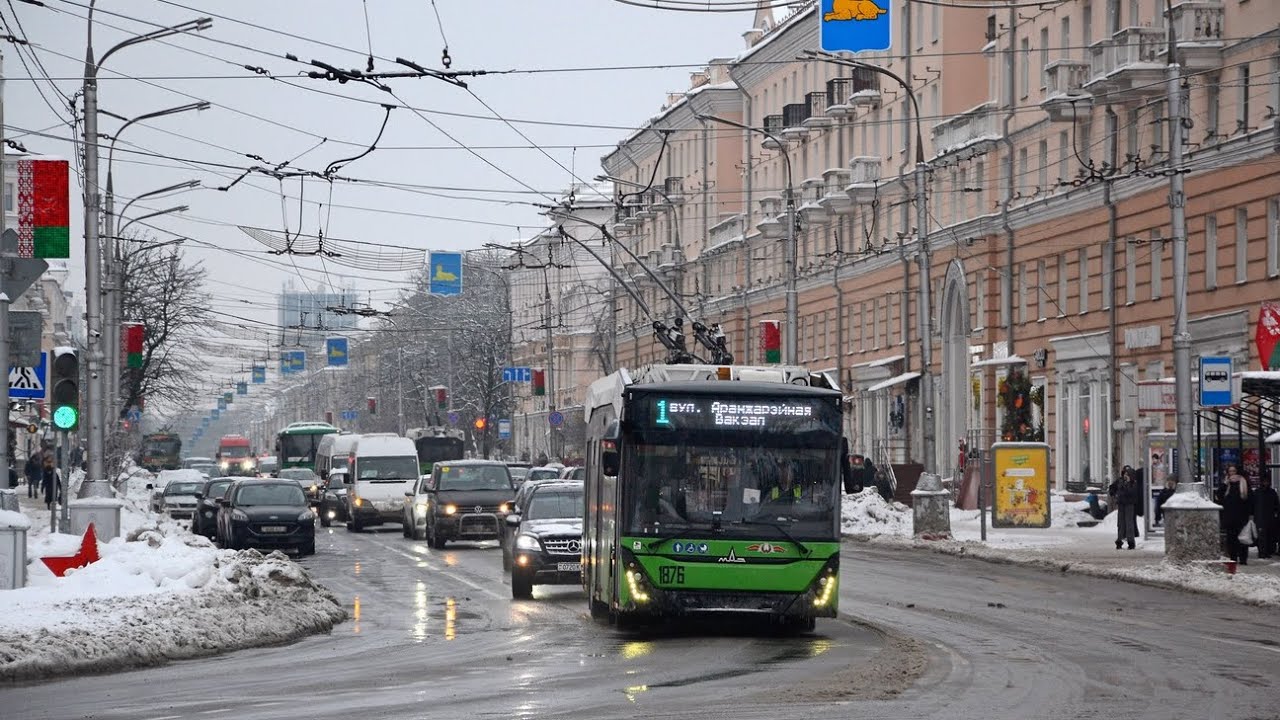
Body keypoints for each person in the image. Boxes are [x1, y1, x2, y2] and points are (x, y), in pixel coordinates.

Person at [1215, 465, 1252, 565]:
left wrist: (1250, 514)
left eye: (1234, 471)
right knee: (1231, 539)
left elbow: (1250, 499)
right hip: (1229, 516)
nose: (1232, 473)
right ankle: (1233, 558)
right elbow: (1218, 496)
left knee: (1243, 538)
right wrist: (1224, 484)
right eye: (1230, 471)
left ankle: (1243, 559)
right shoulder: (1226, 483)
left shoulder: (1244, 482)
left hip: (1242, 516)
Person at [1108, 466, 1140, 550]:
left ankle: (1131, 542)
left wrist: (1127, 484)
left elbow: (1132, 493)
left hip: (1129, 504)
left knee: (1129, 523)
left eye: (1127, 474)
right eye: (1125, 474)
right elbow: (1112, 487)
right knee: (1120, 523)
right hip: (1121, 504)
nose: (1125, 476)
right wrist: (1113, 493)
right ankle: (1119, 541)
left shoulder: (1133, 483)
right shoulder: (1120, 481)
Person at [1251, 475, 1278, 560]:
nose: (1265, 483)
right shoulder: (1259, 492)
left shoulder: (1265, 492)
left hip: (1266, 517)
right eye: (1264, 481)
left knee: (1267, 535)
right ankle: (1263, 552)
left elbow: (1276, 505)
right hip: (1262, 517)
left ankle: (1266, 552)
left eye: (1267, 482)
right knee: (1262, 536)